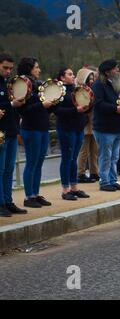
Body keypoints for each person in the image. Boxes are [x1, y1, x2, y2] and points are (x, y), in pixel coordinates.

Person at [16, 57, 55, 208]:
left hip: (42, 127)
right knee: (31, 163)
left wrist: (51, 104)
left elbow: (44, 108)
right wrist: (41, 105)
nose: (39, 70)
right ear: (29, 69)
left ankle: (36, 194)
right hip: (30, 128)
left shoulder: (39, 84)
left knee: (39, 163)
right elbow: (23, 110)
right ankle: (28, 196)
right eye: (36, 67)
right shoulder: (23, 85)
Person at [54, 67, 90, 201]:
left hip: (78, 127)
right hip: (66, 128)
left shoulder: (76, 89)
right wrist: (76, 110)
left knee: (74, 159)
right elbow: (57, 111)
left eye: (72, 74)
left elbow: (84, 105)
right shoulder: (59, 91)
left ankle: (74, 187)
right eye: (69, 74)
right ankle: (65, 189)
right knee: (67, 158)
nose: (73, 76)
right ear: (62, 77)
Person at [92, 59, 120, 192]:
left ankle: (113, 179)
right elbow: (98, 104)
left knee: (114, 156)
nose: (118, 70)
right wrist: (115, 108)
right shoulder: (98, 85)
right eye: (115, 68)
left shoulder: (116, 84)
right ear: (107, 72)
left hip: (117, 125)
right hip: (104, 127)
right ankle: (104, 181)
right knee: (105, 156)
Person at [0, 53, 27, 216]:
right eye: (5, 68)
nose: (8, 71)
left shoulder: (6, 83)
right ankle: (1, 203)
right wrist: (12, 103)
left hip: (10, 130)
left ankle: (8, 201)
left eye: (10, 68)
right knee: (1, 169)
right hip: (1, 132)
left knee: (9, 169)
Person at [76, 67, 99, 183]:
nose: (91, 81)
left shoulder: (93, 90)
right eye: (89, 79)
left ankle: (94, 172)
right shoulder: (78, 91)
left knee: (94, 150)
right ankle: (80, 173)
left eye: (92, 78)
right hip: (84, 123)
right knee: (83, 150)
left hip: (94, 123)